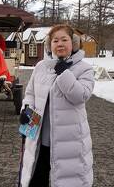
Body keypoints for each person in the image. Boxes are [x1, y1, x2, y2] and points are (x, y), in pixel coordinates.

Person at [18, 24, 94, 187]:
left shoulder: (84, 69)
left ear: (73, 43)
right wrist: (25, 109)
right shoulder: (40, 67)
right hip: (38, 137)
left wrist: (63, 73)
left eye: (64, 40)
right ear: (49, 45)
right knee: (35, 179)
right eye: (55, 41)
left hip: (69, 143)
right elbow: (30, 93)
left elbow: (81, 96)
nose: (59, 44)